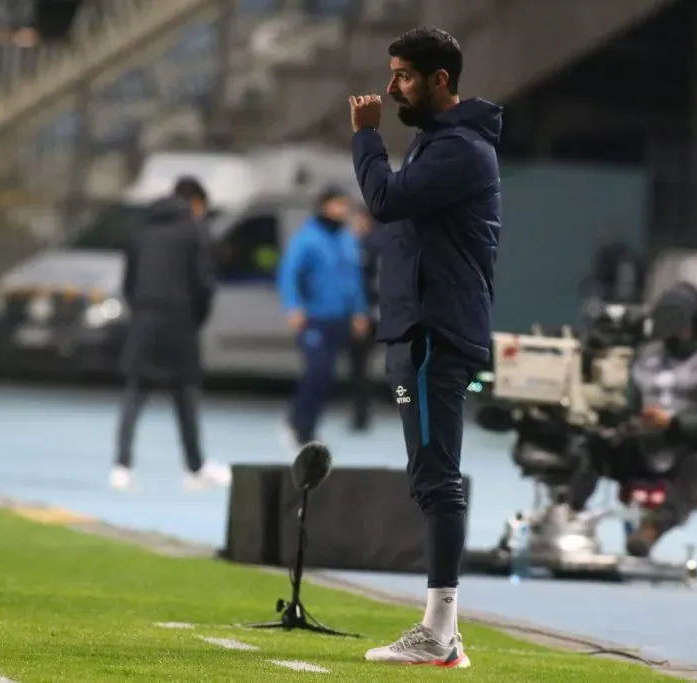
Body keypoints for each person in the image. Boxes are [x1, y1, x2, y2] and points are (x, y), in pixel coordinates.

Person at [349, 26, 502, 668]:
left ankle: (439, 634)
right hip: (418, 329)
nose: (389, 88)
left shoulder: (461, 150)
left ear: (441, 81)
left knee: (438, 478)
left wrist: (365, 136)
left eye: (404, 76)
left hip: (439, 332)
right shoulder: (437, 145)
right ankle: (444, 634)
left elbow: (383, 201)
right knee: (429, 476)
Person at [566, 282, 697, 557]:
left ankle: (654, 527)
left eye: (682, 328)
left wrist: (674, 423)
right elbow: (625, 405)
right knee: (597, 446)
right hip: (651, 446)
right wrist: (614, 421)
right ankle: (567, 513)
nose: (676, 336)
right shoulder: (646, 357)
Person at [111, 177, 233, 491]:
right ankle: (195, 468)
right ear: (195, 202)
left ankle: (121, 466)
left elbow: (129, 283)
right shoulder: (194, 233)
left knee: (134, 394)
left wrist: (140, 311)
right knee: (185, 397)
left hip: (145, 318)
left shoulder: (141, 231)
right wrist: (196, 319)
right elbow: (203, 284)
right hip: (179, 321)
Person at [277, 187, 371, 448]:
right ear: (323, 207)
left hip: (339, 318)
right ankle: (299, 425)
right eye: (336, 205)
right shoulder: (307, 238)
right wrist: (293, 306)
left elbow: (353, 280)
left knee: (327, 375)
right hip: (314, 318)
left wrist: (359, 312)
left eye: (344, 205)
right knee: (316, 371)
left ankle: (306, 424)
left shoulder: (347, 239)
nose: (341, 211)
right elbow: (289, 274)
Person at [347, 206, 387, 432]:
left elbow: (370, 283)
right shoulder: (391, 239)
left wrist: (363, 313)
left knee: (360, 367)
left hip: (372, 315)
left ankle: (361, 417)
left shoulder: (368, 244)